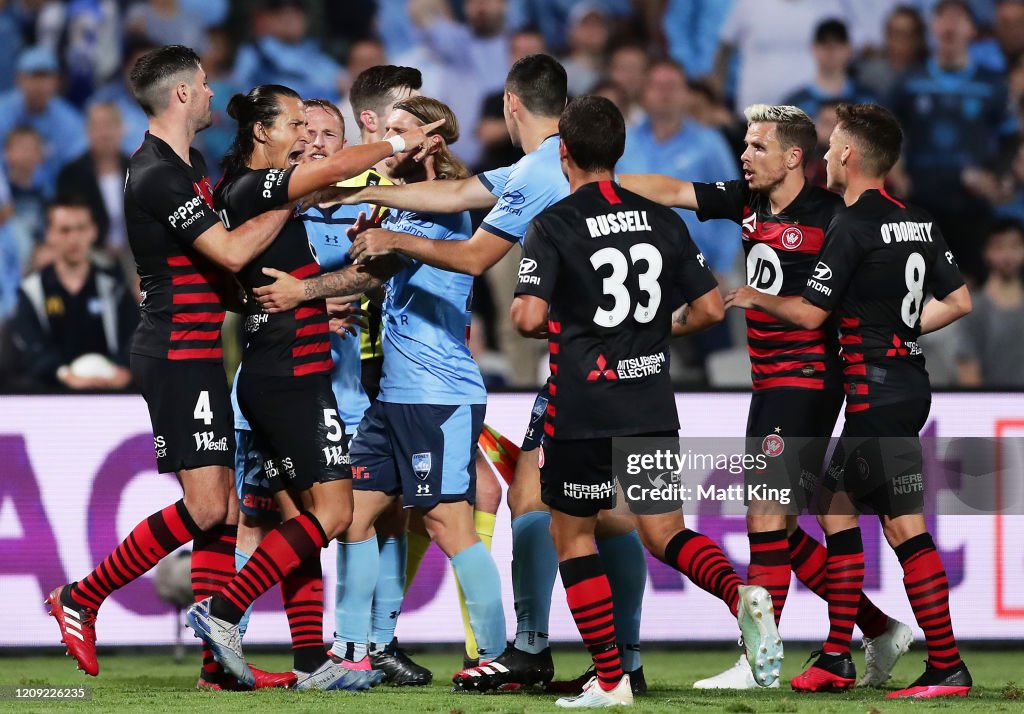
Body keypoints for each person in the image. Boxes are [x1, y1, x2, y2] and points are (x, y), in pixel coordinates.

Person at [262, 54, 650, 694]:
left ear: (510, 104)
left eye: (406, 127)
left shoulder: (539, 170)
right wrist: (357, 193)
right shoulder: (534, 170)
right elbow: (455, 194)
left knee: (554, 515)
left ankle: (527, 653)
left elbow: (469, 255)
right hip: (556, 370)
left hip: (490, 380)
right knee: (366, 513)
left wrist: (381, 242)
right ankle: (358, 652)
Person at [619, 104, 910, 690]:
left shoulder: (833, 216)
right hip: (768, 382)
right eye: (746, 146)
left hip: (807, 380)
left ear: (793, 156)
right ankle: (878, 627)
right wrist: (599, 183)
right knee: (780, 524)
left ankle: (759, 665)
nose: (745, 156)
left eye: (758, 147)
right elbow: (672, 189)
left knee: (764, 515)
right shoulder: (746, 202)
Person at [510, 95, 779, 707]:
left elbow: (527, 318)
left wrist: (568, 323)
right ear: (621, 151)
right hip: (652, 404)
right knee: (663, 532)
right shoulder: (663, 221)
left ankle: (610, 680)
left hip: (582, 407)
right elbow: (711, 308)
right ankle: (742, 596)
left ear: (564, 152)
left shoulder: (552, 223)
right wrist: (654, 331)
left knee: (572, 538)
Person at [45, 44, 295, 690]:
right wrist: (291, 198)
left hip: (199, 348)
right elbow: (232, 250)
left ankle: (218, 665)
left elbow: (212, 269)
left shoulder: (191, 163)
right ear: (182, 94)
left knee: (225, 509)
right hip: (174, 352)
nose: (214, 94)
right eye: (207, 85)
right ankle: (82, 595)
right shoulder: (156, 172)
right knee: (208, 504)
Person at [183, 82, 439, 690]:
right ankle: (222, 613)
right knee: (333, 511)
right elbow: (336, 171)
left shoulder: (254, 194)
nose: (304, 136)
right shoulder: (254, 184)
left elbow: (326, 190)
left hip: (289, 372)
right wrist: (397, 138)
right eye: (296, 124)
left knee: (298, 517)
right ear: (263, 133)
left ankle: (305, 661)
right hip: (289, 379)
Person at [726, 102, 973, 698]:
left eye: (834, 144)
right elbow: (960, 300)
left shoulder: (853, 224)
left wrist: (755, 297)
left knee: (853, 512)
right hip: (906, 386)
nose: (827, 153)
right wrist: (905, 328)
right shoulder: (915, 220)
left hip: (874, 396)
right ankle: (891, 655)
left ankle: (878, 658)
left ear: (850, 156)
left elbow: (811, 310)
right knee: (880, 518)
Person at [261, 94, 509, 684]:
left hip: (438, 392)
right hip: (393, 395)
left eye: (401, 132)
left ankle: (500, 655)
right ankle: (352, 656)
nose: (388, 144)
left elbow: (374, 274)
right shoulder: (396, 209)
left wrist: (304, 294)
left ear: (431, 141)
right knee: (351, 516)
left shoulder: (444, 209)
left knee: (448, 521)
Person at [10, 195, 136, 390]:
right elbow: (31, 347)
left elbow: (135, 338)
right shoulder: (32, 291)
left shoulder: (114, 288)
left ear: (93, 231)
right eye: (65, 230)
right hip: (50, 395)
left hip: (110, 392)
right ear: (49, 234)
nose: (74, 238)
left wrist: (123, 370)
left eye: (81, 229)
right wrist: (63, 374)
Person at [955, 218, 1024, 387]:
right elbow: (967, 370)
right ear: (987, 252)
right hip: (991, 407)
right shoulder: (973, 308)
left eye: (1015, 246)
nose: (1008, 255)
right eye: (999, 247)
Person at [56, 102, 131, 255]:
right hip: (89, 253)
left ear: (122, 129)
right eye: (98, 126)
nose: (104, 133)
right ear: (87, 131)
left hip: (135, 254)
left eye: (110, 125)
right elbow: (66, 221)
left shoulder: (139, 168)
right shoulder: (71, 174)